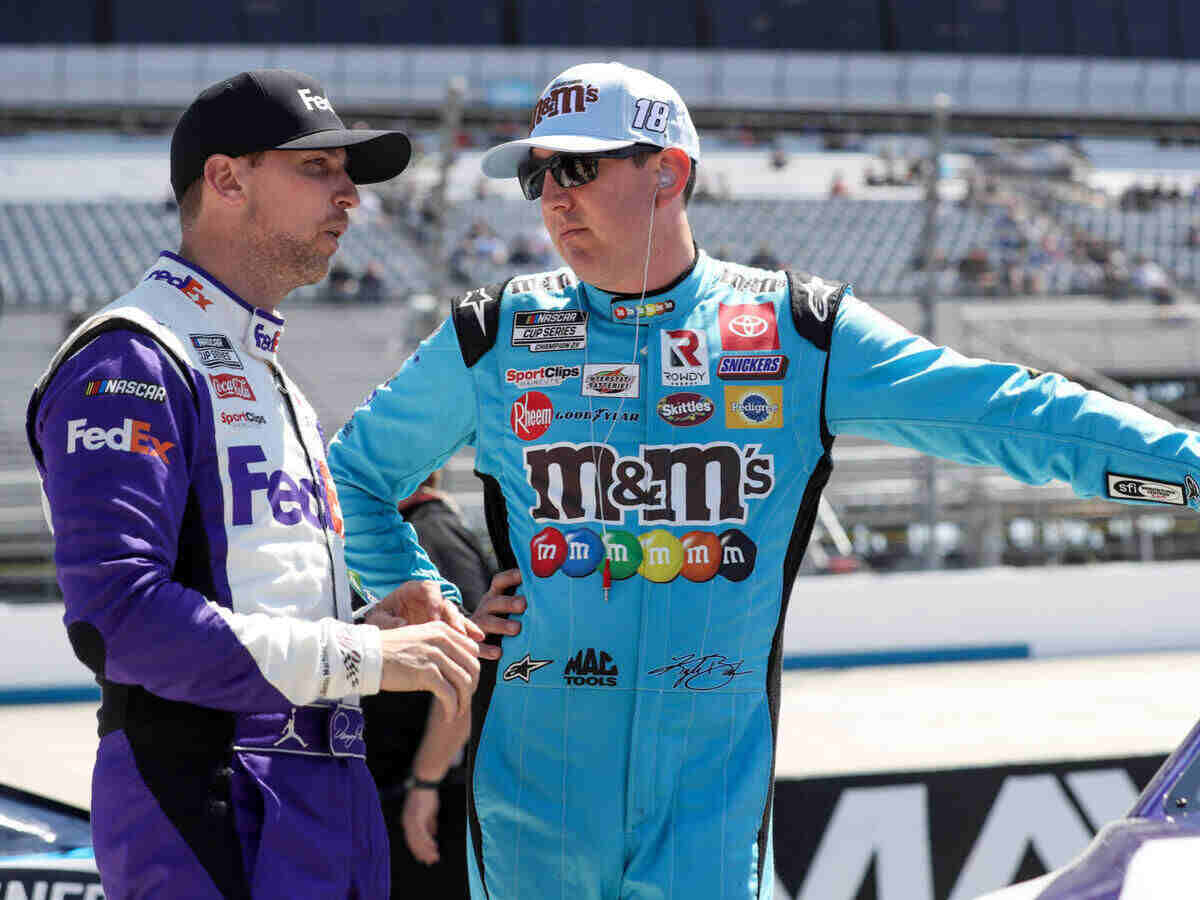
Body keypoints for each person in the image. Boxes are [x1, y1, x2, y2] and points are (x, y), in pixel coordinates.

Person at [327, 62, 1200, 900]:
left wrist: (1192, 475)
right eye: (539, 177)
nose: (555, 197)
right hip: (532, 796)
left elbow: (1010, 412)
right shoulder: (498, 334)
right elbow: (355, 474)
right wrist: (417, 589)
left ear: (669, 171)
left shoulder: (799, 332)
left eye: (580, 168)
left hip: (708, 807)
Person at [25, 68, 496, 900]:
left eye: (349, 174)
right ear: (226, 178)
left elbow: (260, 604)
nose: (350, 195)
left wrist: (364, 621)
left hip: (325, 794)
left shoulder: (269, 372)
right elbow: (119, 619)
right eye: (318, 168)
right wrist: (364, 653)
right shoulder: (131, 357)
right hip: (209, 790)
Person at [364, 470, 494, 899]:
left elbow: (469, 664)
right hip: (410, 790)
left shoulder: (430, 535)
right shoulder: (418, 533)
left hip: (429, 798)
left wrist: (426, 783)